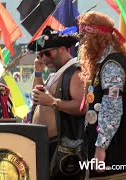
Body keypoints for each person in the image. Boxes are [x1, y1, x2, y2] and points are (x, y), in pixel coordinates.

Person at [78, 12, 126, 179]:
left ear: (97, 37)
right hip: (110, 147)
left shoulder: (111, 65)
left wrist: (100, 148)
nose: (82, 42)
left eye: (85, 36)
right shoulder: (105, 62)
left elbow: (111, 110)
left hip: (114, 150)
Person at [28, 26, 86, 179]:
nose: (45, 58)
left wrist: (53, 102)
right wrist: (38, 72)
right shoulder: (55, 74)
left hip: (63, 148)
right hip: (46, 145)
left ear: (62, 49)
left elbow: (82, 107)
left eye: (48, 52)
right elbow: (37, 97)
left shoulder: (75, 72)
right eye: (41, 54)